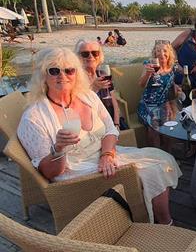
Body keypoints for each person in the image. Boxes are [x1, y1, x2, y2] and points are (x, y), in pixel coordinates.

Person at [17, 47, 182, 224]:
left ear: (76, 73)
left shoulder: (87, 96)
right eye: (54, 70)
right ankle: (164, 223)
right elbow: (49, 173)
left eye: (69, 70)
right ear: (43, 75)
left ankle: (150, 214)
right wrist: (58, 149)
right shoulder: (34, 117)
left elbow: (111, 130)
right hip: (76, 172)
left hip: (105, 156)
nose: (62, 76)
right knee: (153, 170)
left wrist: (106, 155)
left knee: (163, 158)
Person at [137, 40, 179, 147]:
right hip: (148, 105)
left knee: (170, 126)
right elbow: (141, 85)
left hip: (164, 104)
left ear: (169, 53)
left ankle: (168, 156)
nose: (161, 53)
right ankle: (156, 156)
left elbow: (170, 86)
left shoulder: (172, 67)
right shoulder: (149, 65)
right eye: (158, 51)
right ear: (154, 53)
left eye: (164, 50)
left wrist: (170, 103)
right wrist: (147, 74)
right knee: (154, 127)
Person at [74, 40, 123, 130]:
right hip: (93, 126)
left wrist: (116, 124)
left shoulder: (103, 74)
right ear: (77, 57)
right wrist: (93, 87)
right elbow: (76, 104)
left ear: (99, 56)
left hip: (111, 122)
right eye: (85, 54)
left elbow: (114, 101)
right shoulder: (75, 78)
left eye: (95, 53)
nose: (91, 56)